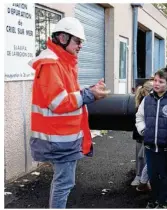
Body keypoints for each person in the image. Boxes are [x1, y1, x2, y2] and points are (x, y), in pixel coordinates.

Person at [28, 17, 109, 208]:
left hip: (63, 137)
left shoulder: (63, 62)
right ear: (63, 38)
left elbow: (67, 94)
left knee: (64, 183)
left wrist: (90, 90)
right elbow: (59, 102)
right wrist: (90, 94)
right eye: (78, 41)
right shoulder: (52, 63)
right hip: (59, 138)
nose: (80, 46)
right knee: (64, 184)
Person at [135, 68, 167, 208]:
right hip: (150, 146)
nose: (156, 84)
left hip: (165, 148)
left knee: (164, 176)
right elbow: (139, 117)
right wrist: (143, 130)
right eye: (155, 80)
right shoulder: (147, 100)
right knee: (152, 175)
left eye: (161, 82)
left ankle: (162, 202)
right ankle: (153, 199)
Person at [131, 80, 153, 190]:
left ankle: (142, 178)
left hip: (146, 133)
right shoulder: (142, 102)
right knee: (140, 156)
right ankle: (139, 176)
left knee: (143, 156)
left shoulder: (148, 100)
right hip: (142, 133)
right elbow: (139, 118)